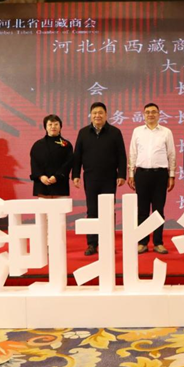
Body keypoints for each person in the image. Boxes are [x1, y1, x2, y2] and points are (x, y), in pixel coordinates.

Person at [72, 102, 127, 256]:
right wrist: (75, 175)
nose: (97, 115)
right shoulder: (83, 133)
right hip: (90, 178)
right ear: (91, 115)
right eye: (95, 113)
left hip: (109, 178)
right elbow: (77, 156)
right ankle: (92, 243)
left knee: (108, 211)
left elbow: (121, 155)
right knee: (92, 210)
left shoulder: (115, 132)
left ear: (106, 115)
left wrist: (121, 174)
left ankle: (107, 243)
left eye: (100, 113)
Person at [127, 103, 176, 255]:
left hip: (160, 175)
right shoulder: (137, 131)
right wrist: (131, 173)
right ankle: (142, 242)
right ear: (143, 114)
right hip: (142, 174)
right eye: (147, 112)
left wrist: (171, 175)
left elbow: (171, 154)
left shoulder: (166, 132)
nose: (151, 114)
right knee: (142, 210)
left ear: (159, 114)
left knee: (158, 210)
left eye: (154, 112)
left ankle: (158, 243)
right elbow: (133, 153)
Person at [30, 114, 74, 198]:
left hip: (60, 185)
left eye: (56, 124)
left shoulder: (67, 145)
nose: (53, 127)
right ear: (45, 127)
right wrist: (41, 176)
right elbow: (34, 163)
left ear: (60, 127)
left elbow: (68, 164)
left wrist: (57, 177)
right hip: (42, 185)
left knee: (61, 206)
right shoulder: (38, 145)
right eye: (50, 124)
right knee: (43, 206)